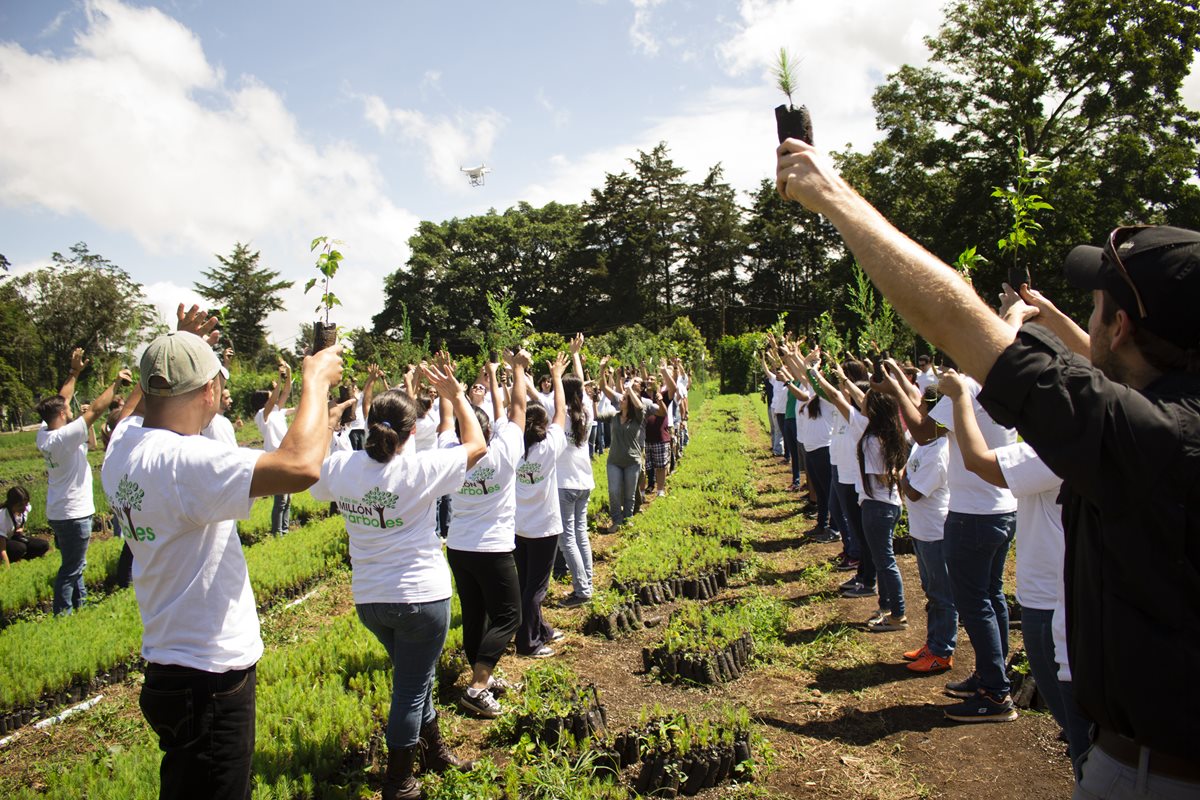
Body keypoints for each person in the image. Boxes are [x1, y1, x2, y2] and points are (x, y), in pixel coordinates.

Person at [777, 140, 1200, 791]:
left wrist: (831, 195)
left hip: (1152, 773)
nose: (1081, 321)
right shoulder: (1164, 425)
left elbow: (957, 322)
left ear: (1118, 330)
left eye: (1092, 308)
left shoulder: (1142, 439)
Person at [101, 304, 344, 800]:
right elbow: (299, 465)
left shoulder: (122, 447)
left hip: (169, 665)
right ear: (211, 390)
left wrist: (174, 344)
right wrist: (315, 381)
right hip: (209, 677)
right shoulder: (183, 463)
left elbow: (133, 410)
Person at [310, 358, 482, 800]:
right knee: (409, 689)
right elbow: (477, 445)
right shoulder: (419, 468)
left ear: (368, 425)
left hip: (371, 602)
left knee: (416, 678)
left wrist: (326, 420)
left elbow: (313, 470)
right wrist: (457, 396)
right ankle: (399, 783)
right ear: (410, 433)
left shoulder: (342, 467)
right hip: (421, 599)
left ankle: (435, 752)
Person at [941, 362, 1090, 757]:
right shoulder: (1076, 440)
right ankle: (997, 680)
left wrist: (958, 397)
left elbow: (977, 460)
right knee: (989, 597)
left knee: (1081, 736)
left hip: (1049, 600)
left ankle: (995, 691)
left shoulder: (1059, 448)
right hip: (1051, 590)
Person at [442, 351, 528, 719]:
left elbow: (448, 419)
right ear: (487, 430)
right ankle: (477, 687)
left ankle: (484, 677)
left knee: (475, 614)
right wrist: (517, 369)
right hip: (492, 548)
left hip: (459, 547)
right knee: (509, 616)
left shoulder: (450, 453)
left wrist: (451, 390)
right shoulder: (503, 452)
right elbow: (518, 406)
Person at [36, 347, 128, 614]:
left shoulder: (45, 434)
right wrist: (117, 383)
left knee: (75, 564)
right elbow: (97, 410)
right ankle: (63, 615)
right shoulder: (64, 438)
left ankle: (82, 607)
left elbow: (62, 398)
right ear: (63, 415)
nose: (69, 407)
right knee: (72, 568)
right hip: (74, 513)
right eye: (67, 409)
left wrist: (74, 372)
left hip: (58, 512)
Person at [514, 354, 569, 657]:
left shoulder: (512, 447)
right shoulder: (549, 447)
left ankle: (541, 629)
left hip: (519, 527)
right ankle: (528, 643)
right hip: (544, 527)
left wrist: (516, 372)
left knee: (525, 583)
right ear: (543, 426)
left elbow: (510, 410)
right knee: (536, 588)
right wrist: (557, 377)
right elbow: (560, 409)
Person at [557, 334, 597, 607]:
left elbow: (536, 395)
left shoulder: (560, 413)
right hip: (584, 481)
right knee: (580, 533)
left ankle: (581, 590)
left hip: (565, 484)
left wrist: (519, 372)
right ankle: (588, 581)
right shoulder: (587, 410)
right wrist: (575, 356)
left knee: (567, 538)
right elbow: (579, 386)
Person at [597, 358, 649, 533]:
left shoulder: (637, 418)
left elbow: (640, 407)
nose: (621, 401)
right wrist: (602, 369)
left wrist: (629, 389)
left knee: (629, 494)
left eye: (624, 399)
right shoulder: (614, 415)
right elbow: (596, 415)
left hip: (632, 461)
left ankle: (628, 519)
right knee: (614, 492)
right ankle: (616, 521)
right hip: (614, 461)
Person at [252, 358, 295, 536]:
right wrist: (279, 375)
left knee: (288, 498)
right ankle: (278, 532)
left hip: (286, 454)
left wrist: (289, 372)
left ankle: (284, 530)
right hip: (276, 457)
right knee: (281, 499)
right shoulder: (263, 415)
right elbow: (276, 398)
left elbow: (286, 391)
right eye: (270, 396)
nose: (274, 397)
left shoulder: (277, 411)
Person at [1, 486, 50, 567]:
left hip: (11, 538)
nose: (24, 508)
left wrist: (20, 528)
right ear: (12, 504)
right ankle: (8, 561)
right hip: (2, 544)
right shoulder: (3, 517)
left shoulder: (24, 509)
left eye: (25, 504)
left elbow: (20, 522)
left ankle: (20, 559)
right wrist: (7, 570)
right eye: (20, 505)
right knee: (19, 548)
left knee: (43, 545)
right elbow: (2, 549)